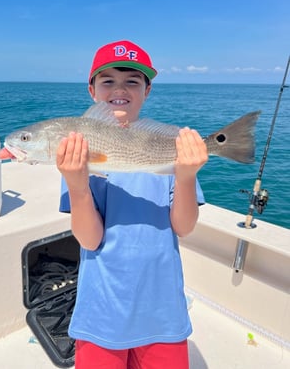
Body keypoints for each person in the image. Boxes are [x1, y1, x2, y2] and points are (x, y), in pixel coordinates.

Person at [56, 40, 208, 369]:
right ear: (92, 90)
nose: (119, 89)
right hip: (101, 313)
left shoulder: (168, 147)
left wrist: (184, 176)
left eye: (132, 81)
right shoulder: (79, 152)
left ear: (147, 90)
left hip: (163, 312)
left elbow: (183, 227)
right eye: (107, 80)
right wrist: (76, 183)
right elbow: (89, 239)